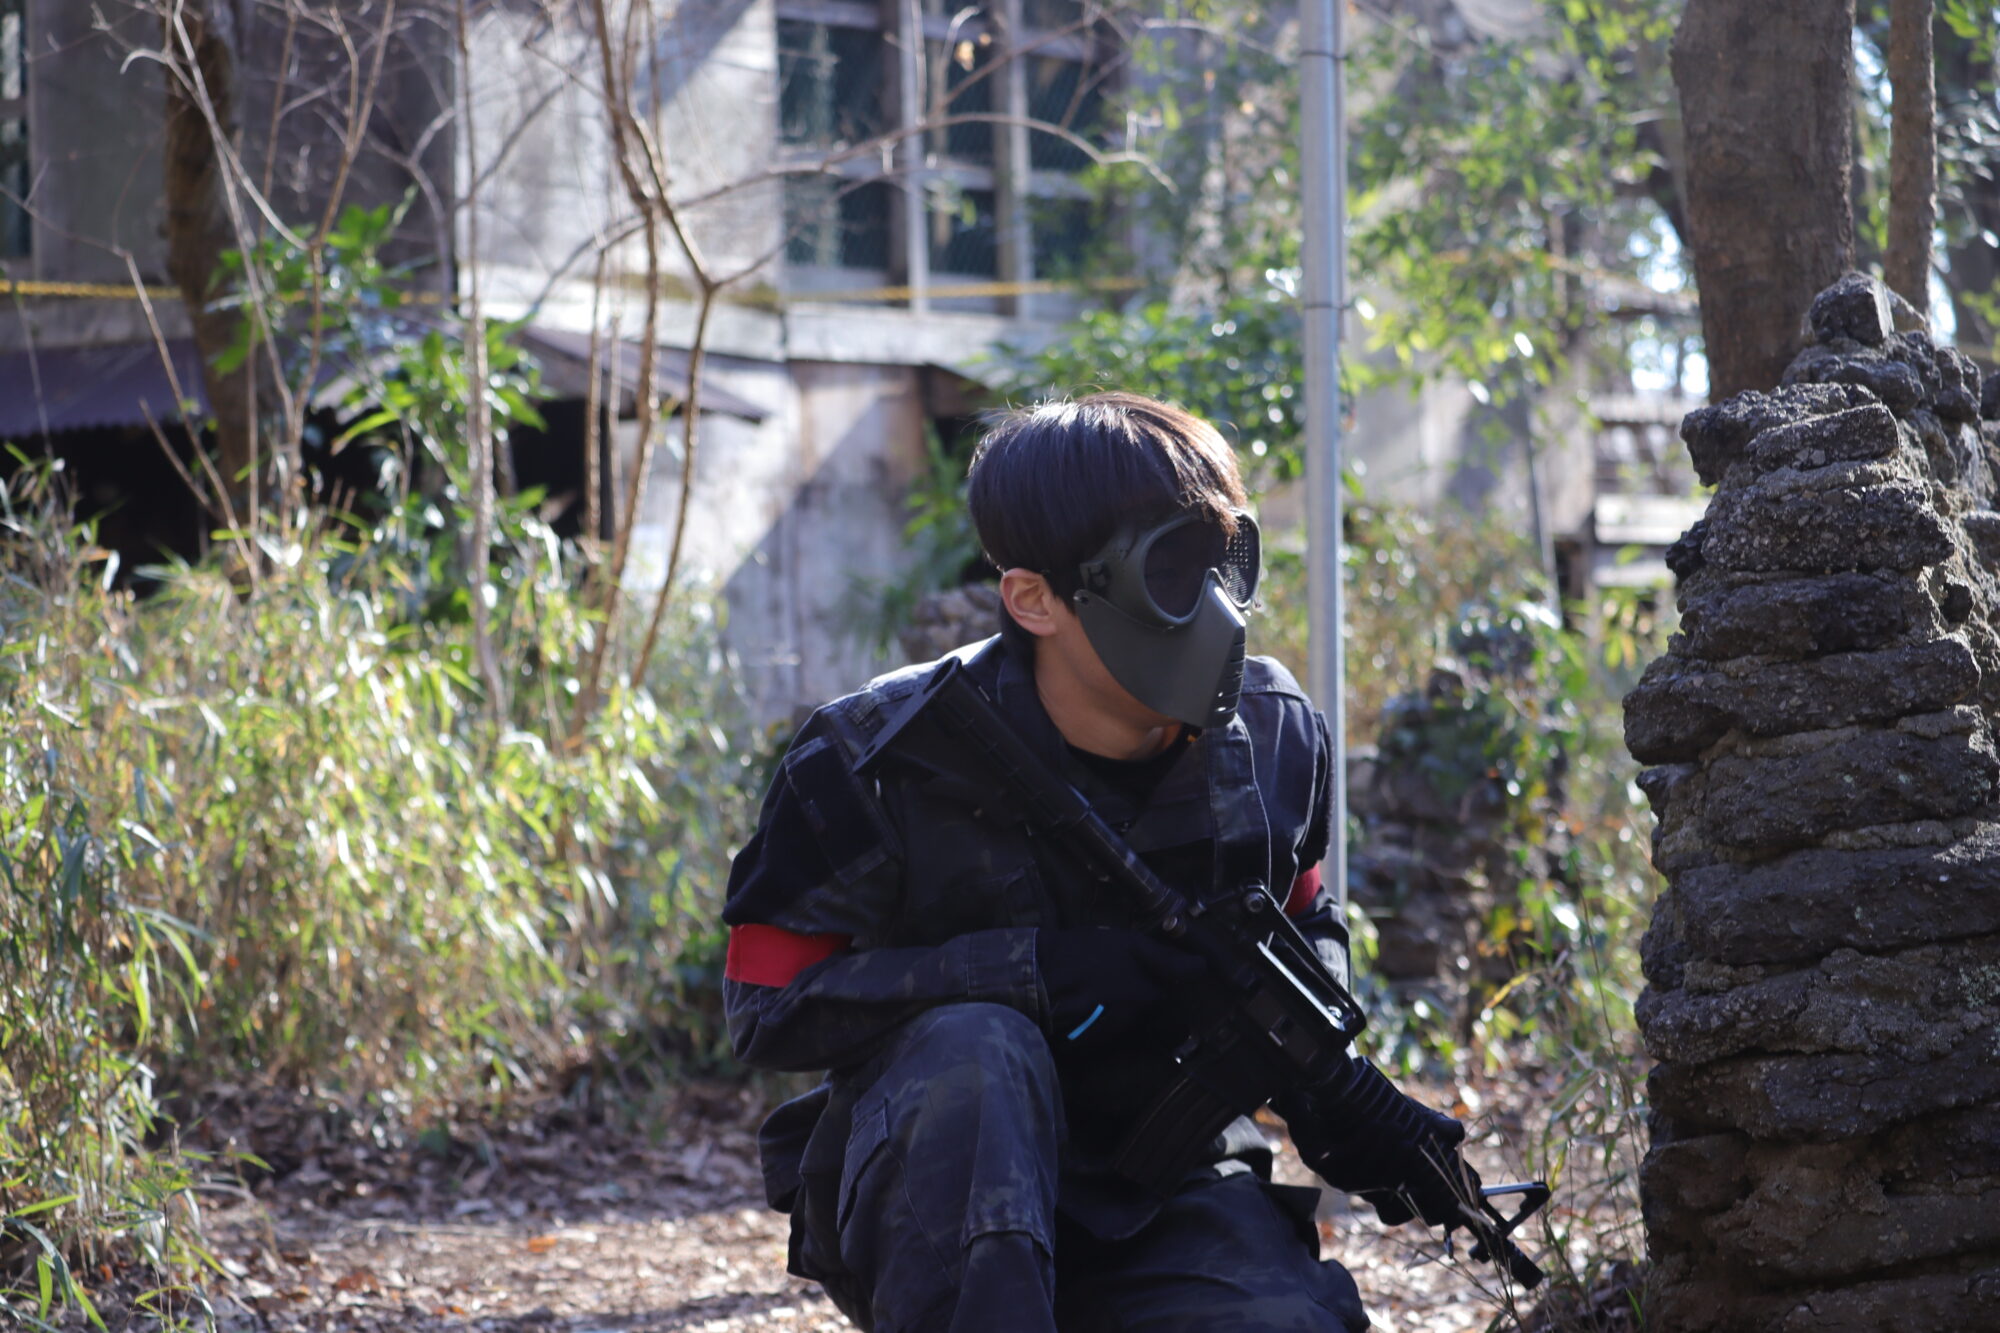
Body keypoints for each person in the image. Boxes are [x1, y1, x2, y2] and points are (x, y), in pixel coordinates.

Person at [723, 393, 1477, 1332]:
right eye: (1168, 567)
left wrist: (1323, 1070)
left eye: (1225, 560)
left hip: (1165, 1181)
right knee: (979, 1049)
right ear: (1034, 599)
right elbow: (765, 1006)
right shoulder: (875, 756)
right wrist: (1033, 974)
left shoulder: (1273, 736)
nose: (1212, 605)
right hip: (934, 1177)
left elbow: (1300, 915)